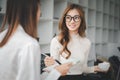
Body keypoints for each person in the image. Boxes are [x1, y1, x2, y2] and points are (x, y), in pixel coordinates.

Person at [44, 4, 107, 80]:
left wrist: (97, 68)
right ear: (64, 20)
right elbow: (54, 70)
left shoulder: (87, 42)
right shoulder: (56, 40)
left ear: (81, 20)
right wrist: (49, 65)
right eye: (68, 17)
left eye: (76, 18)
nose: (72, 21)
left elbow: (83, 68)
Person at [0, 0, 41, 80]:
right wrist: (54, 74)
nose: (40, 12)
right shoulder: (30, 45)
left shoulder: (1, 37)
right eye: (40, 6)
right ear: (32, 9)